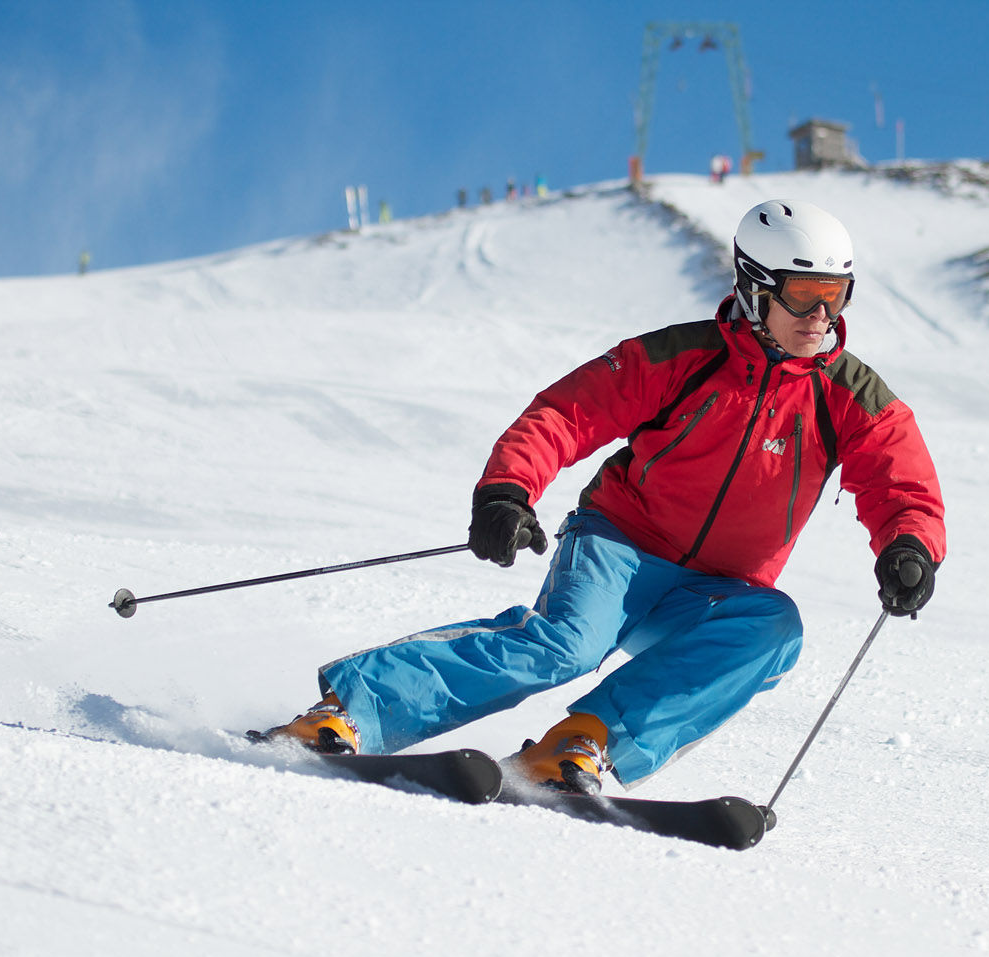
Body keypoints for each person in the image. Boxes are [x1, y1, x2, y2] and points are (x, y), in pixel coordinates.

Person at [256, 199, 946, 794]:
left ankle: (579, 744)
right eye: (804, 294)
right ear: (755, 287)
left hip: (718, 589)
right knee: (563, 647)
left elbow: (898, 479)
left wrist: (910, 546)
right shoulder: (681, 357)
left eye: (837, 294)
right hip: (621, 545)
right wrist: (507, 489)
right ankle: (349, 712)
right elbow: (567, 413)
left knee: (772, 630)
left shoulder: (848, 394)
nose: (822, 315)